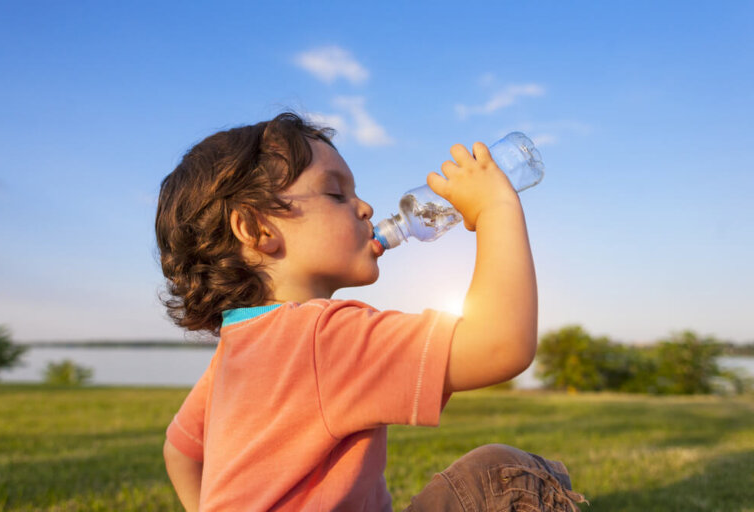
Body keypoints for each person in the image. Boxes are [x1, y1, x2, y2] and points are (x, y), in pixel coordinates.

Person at [156, 113, 586, 511]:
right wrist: (496, 208)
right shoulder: (322, 338)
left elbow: (180, 452)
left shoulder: (238, 352)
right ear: (256, 230)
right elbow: (501, 345)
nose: (364, 208)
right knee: (500, 475)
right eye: (336, 193)